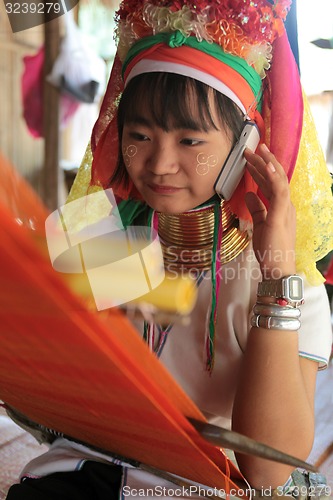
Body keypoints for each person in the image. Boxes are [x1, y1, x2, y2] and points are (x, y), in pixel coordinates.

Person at [6, 0, 333, 499]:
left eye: (190, 140)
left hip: (191, 487)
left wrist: (276, 279)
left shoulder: (287, 279)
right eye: (140, 135)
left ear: (247, 144)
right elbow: (41, 395)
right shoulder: (100, 233)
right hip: (72, 477)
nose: (159, 162)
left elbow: (267, 469)